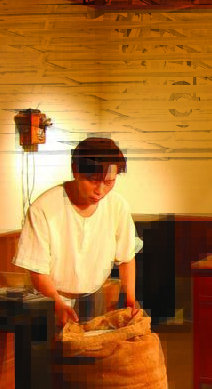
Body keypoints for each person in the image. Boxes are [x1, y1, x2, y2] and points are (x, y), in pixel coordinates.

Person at [14, 137, 142, 328]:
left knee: (93, 343)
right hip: (48, 297)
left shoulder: (117, 206)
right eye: (93, 180)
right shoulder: (44, 208)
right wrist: (56, 301)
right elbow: (37, 269)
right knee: (49, 345)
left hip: (93, 294)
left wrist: (130, 298)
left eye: (109, 182)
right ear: (75, 170)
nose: (100, 191)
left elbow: (126, 257)